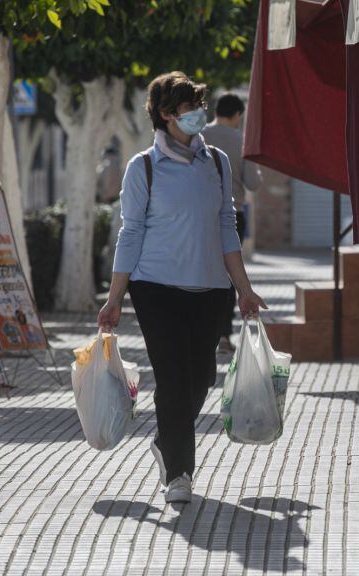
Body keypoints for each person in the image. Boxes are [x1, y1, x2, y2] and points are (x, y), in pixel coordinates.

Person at [97, 73, 267, 506]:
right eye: (189, 108)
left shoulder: (216, 163)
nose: (198, 115)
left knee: (202, 379)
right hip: (156, 288)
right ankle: (179, 473)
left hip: (211, 288)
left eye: (198, 106)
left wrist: (243, 288)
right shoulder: (144, 168)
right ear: (167, 114)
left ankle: (165, 440)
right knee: (173, 380)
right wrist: (115, 298)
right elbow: (130, 233)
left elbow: (226, 226)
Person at [202, 94, 262, 352]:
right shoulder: (242, 141)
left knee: (200, 272)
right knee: (229, 276)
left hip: (199, 217)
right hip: (231, 216)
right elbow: (253, 183)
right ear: (238, 115)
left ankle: (200, 331)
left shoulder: (197, 137)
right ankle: (223, 335)